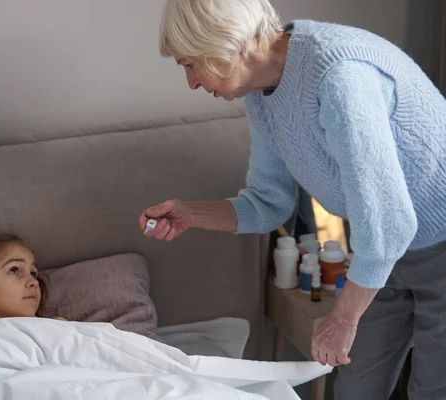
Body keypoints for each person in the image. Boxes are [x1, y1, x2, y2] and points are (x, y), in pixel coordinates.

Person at [140, 1, 446, 398]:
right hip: (382, 252)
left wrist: (342, 319)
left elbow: (389, 224)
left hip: (433, 245)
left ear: (225, 42)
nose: (191, 83)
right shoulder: (261, 90)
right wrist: (191, 213)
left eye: (190, 64)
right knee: (355, 389)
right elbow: (269, 202)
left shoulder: (338, 76)